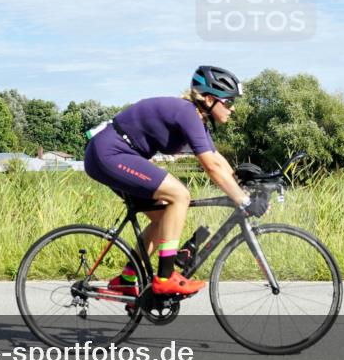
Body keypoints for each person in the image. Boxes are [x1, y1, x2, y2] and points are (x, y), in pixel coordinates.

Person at [83, 65, 268, 298]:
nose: (233, 108)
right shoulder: (187, 113)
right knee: (180, 195)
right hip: (109, 153)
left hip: (116, 154)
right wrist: (243, 200)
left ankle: (127, 279)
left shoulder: (196, 119)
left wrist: (245, 190)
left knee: (163, 218)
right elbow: (210, 168)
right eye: (229, 102)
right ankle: (165, 277)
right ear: (210, 99)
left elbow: (217, 160)